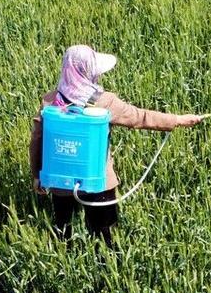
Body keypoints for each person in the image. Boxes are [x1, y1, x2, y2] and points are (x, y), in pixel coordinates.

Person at [29, 44, 202, 248]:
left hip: (61, 182)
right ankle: (107, 269)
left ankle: (66, 262)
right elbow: (140, 117)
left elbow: (37, 140)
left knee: (62, 230)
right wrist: (178, 120)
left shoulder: (50, 102)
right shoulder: (104, 102)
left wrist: (38, 175)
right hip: (98, 182)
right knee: (105, 235)